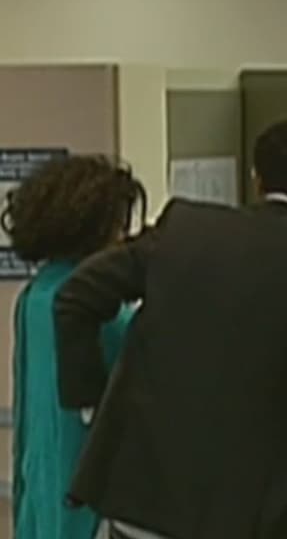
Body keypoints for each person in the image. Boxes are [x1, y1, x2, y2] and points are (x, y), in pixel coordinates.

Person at [54, 120, 287, 539]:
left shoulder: (183, 230)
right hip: (239, 517)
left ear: (256, 178)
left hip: (139, 503)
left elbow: (75, 296)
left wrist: (91, 401)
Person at [3, 155, 147, 539]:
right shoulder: (97, 311)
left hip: (41, 495)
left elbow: (27, 420)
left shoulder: (35, 297)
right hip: (87, 506)